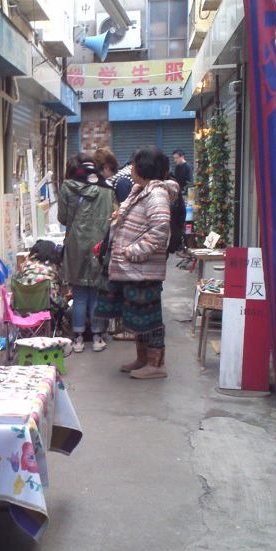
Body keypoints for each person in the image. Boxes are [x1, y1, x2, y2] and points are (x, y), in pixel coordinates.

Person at [95, 147, 179, 379]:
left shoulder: (156, 194)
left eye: (133, 165)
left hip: (143, 268)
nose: (131, 169)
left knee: (150, 317)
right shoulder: (141, 190)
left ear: (144, 168)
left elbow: (160, 229)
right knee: (138, 316)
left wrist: (134, 252)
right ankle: (143, 359)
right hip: (134, 268)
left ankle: (156, 365)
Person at [59, 152, 114, 353]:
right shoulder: (107, 189)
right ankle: (98, 337)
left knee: (79, 294)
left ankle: (78, 339)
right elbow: (112, 218)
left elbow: (63, 218)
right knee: (97, 293)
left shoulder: (67, 187)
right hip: (100, 245)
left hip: (76, 245)